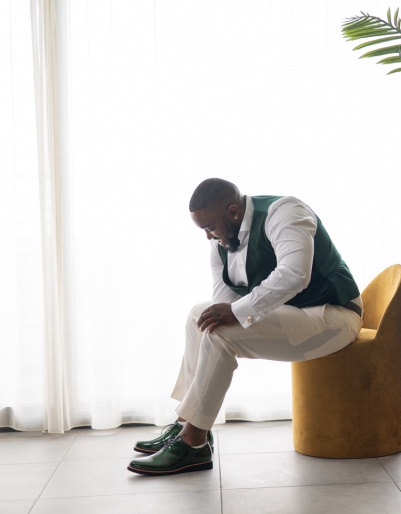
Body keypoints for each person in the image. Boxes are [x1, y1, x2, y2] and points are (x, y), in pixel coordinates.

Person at [127, 178, 362, 475]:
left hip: (335, 315)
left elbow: (294, 274)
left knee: (222, 331)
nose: (208, 236)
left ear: (234, 212)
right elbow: (222, 306)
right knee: (199, 317)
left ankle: (194, 442)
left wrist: (237, 312)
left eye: (210, 227)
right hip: (296, 316)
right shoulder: (221, 242)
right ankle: (186, 424)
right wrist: (229, 313)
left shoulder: (284, 212)